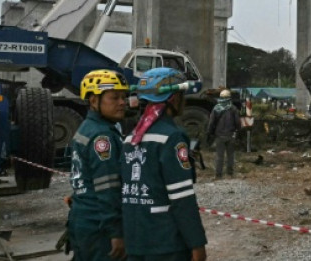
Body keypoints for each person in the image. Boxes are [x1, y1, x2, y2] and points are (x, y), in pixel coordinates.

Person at [122, 67, 207, 261]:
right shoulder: (172, 137)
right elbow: (181, 198)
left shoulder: (130, 138)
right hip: (165, 244)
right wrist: (197, 243)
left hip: (135, 242)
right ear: (174, 98)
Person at [67, 69, 130, 261]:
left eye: (124, 97)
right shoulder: (102, 137)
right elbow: (108, 188)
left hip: (82, 221)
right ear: (94, 100)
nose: (122, 102)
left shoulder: (87, 128)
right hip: (99, 227)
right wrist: (116, 233)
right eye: (114, 97)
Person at [206, 89, 240, 180]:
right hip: (230, 135)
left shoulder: (216, 108)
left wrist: (209, 133)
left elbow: (211, 123)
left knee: (219, 156)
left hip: (219, 135)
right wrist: (237, 131)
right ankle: (230, 174)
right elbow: (238, 122)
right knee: (230, 156)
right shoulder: (233, 108)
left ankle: (218, 175)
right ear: (229, 98)